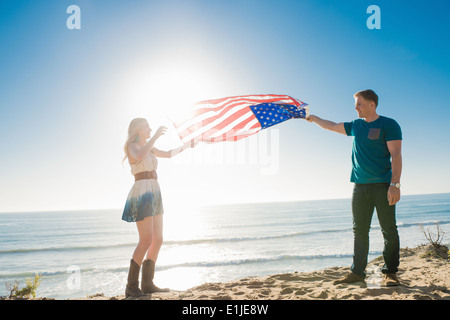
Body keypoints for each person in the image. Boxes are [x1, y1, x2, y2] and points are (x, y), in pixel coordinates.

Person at [306, 89, 402, 287]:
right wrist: (314, 118)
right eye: (355, 104)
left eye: (359, 104)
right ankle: (357, 273)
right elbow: (331, 126)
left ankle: (390, 273)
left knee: (389, 231)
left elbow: (397, 155)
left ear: (372, 104)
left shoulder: (389, 124)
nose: (355, 108)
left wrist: (395, 184)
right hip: (359, 187)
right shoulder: (356, 126)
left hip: (383, 186)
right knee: (359, 231)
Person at [122, 118, 197, 297]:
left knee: (158, 239)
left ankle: (148, 284)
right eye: (147, 127)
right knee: (145, 239)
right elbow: (140, 156)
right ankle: (131, 286)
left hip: (155, 190)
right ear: (138, 129)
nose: (150, 129)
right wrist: (155, 136)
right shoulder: (132, 147)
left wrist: (187, 145)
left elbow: (169, 154)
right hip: (142, 191)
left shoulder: (150, 148)